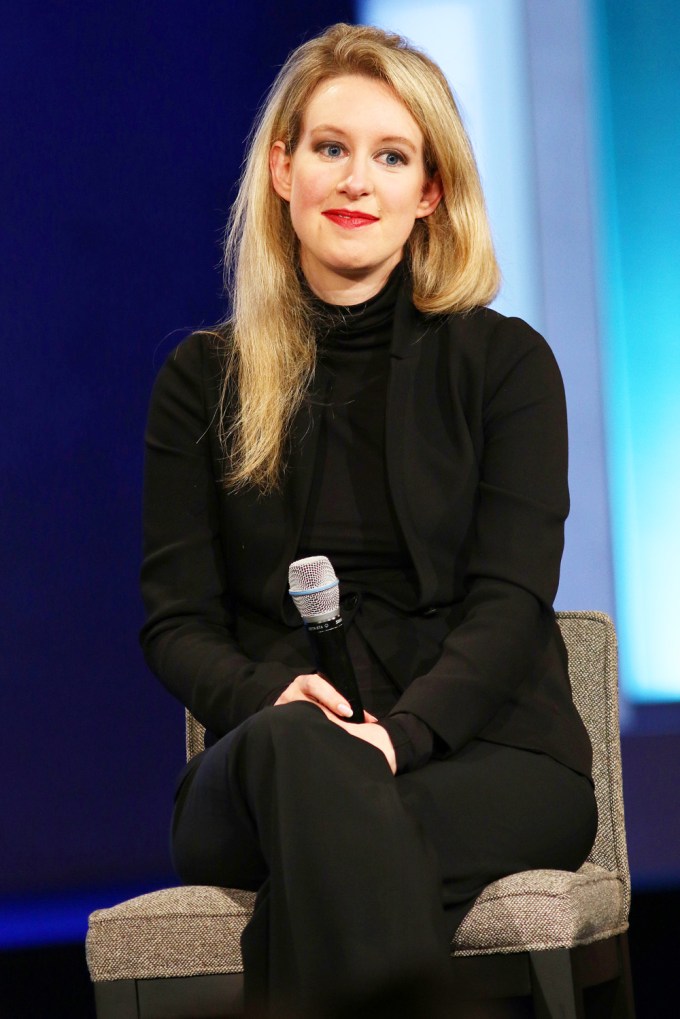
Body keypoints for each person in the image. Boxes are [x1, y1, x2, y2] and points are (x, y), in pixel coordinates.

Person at [140, 22, 597, 1015]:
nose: (357, 180)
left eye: (390, 156)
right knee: (304, 757)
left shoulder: (505, 367)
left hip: (485, 761)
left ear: (427, 191)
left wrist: (397, 735)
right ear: (280, 169)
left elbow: (508, 602)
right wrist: (275, 697)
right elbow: (175, 622)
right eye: (330, 148)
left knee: (334, 840)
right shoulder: (199, 380)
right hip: (268, 758)